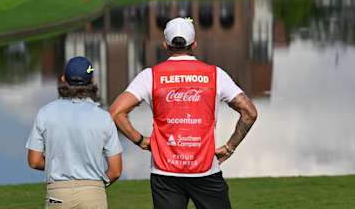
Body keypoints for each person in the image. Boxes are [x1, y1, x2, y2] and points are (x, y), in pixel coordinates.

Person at [110, 17, 258, 209]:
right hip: (205, 170)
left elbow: (116, 112)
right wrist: (230, 147)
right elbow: (249, 112)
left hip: (165, 172)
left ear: (165, 44)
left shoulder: (150, 76)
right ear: (194, 44)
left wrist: (141, 141)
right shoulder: (215, 74)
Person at [26, 56, 123, 209]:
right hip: (93, 194)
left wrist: (59, 163)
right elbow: (115, 170)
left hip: (57, 195)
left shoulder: (45, 113)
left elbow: (34, 161)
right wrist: (96, 186)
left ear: (63, 79)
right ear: (92, 81)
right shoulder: (104, 118)